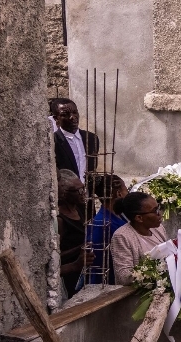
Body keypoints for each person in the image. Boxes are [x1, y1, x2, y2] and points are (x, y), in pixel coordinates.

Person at [109, 192, 168, 284]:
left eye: (158, 207)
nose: (159, 214)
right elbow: (124, 276)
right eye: (155, 211)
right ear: (139, 218)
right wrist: (155, 273)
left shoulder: (159, 229)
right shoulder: (122, 236)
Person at [83, 173, 128, 286]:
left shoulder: (119, 215)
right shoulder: (101, 224)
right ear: (119, 193)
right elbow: (98, 264)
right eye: (126, 190)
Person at [57, 170, 93, 298]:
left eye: (83, 189)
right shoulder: (60, 220)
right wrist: (79, 248)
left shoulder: (79, 209)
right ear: (64, 193)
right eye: (78, 191)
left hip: (84, 268)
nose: (82, 193)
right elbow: (56, 256)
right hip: (70, 275)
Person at [52, 99, 99, 186]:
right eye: (65, 115)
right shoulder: (54, 141)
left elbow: (92, 170)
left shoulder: (92, 139)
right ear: (56, 118)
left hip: (88, 196)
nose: (72, 117)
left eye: (74, 112)